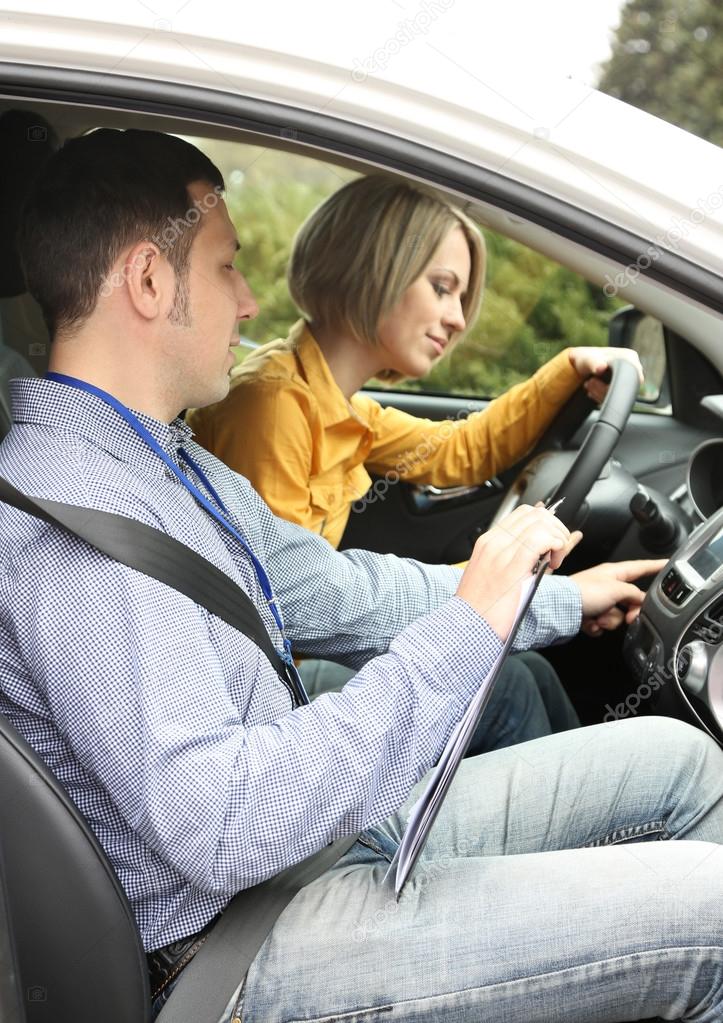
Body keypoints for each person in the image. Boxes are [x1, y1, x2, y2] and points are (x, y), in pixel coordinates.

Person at [1, 127, 721, 1023]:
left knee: (683, 763)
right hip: (236, 944)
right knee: (712, 914)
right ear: (148, 280)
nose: (253, 301)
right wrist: (468, 626)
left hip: (305, 849)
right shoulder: (69, 527)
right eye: (228, 269)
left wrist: (547, 602)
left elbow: (339, 594)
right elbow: (226, 824)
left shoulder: (166, 462)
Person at [187, 173, 642, 741]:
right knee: (511, 685)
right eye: (442, 287)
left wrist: (566, 369)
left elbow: (462, 451)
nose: (457, 318)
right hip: (273, 689)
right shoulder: (273, 405)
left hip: (301, 652)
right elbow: (294, 606)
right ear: (374, 266)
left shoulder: (335, 402)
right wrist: (500, 584)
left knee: (530, 671)